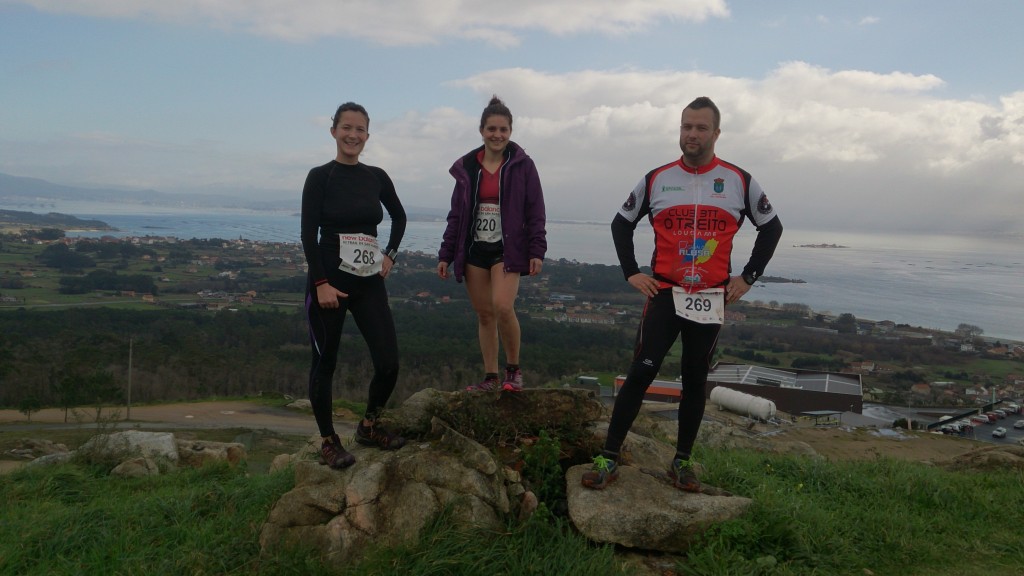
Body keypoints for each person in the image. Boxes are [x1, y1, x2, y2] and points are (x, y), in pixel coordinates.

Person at [582, 96, 783, 491]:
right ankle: (608, 457)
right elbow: (620, 224)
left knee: (694, 380)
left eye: (701, 127)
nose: (692, 134)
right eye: (686, 126)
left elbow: (771, 227)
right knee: (641, 372)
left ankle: (682, 463)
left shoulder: (739, 180)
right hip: (665, 293)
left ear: (716, 133)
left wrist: (748, 278)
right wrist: (630, 273)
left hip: (710, 296)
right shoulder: (657, 178)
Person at [301, 102, 408, 469]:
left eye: (360, 129)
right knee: (325, 362)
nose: (353, 135)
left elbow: (399, 216)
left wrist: (390, 254)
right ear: (333, 131)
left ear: (367, 135)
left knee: (389, 362)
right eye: (346, 127)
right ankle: (329, 441)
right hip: (330, 282)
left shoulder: (376, 176)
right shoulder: (320, 176)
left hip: (368, 283)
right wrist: (321, 283)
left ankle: (368, 425)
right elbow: (307, 234)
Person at [437, 96, 547, 392]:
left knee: (502, 306)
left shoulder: (523, 165)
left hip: (507, 249)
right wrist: (446, 254)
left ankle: (514, 371)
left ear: (510, 131)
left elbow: (535, 210)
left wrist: (537, 249)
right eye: (491, 129)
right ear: (481, 130)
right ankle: (490, 377)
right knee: (484, 313)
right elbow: (456, 214)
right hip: (475, 249)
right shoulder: (467, 168)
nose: (497, 135)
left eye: (503, 129)